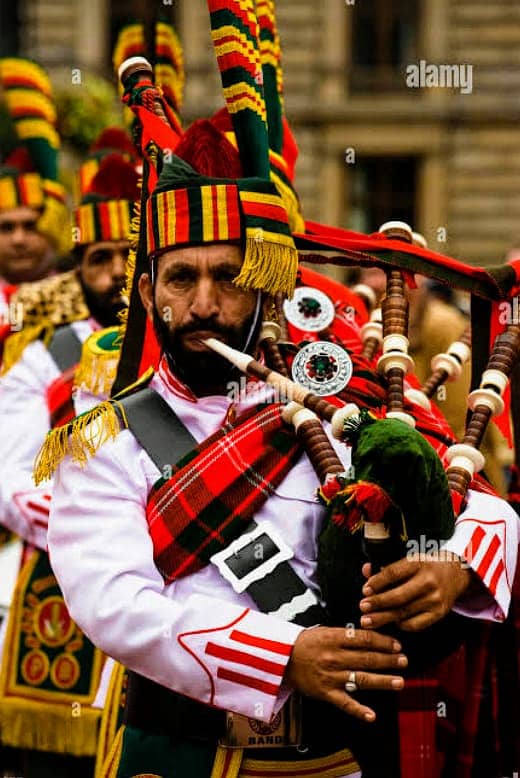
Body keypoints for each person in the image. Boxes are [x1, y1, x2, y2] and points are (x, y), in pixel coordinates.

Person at [45, 12, 519, 772]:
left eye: (228, 277)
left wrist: (453, 564)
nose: (203, 304)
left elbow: (485, 503)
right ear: (149, 291)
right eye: (180, 279)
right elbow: (115, 604)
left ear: (264, 283)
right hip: (184, 755)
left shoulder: (346, 388)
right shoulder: (104, 432)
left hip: (342, 758)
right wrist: (285, 654)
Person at [0, 140, 139, 778]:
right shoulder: (43, 354)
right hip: (61, 590)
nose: (113, 272)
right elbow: (8, 476)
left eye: (127, 256)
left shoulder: (200, 353)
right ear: (78, 267)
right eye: (97, 258)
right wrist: (96, 528)